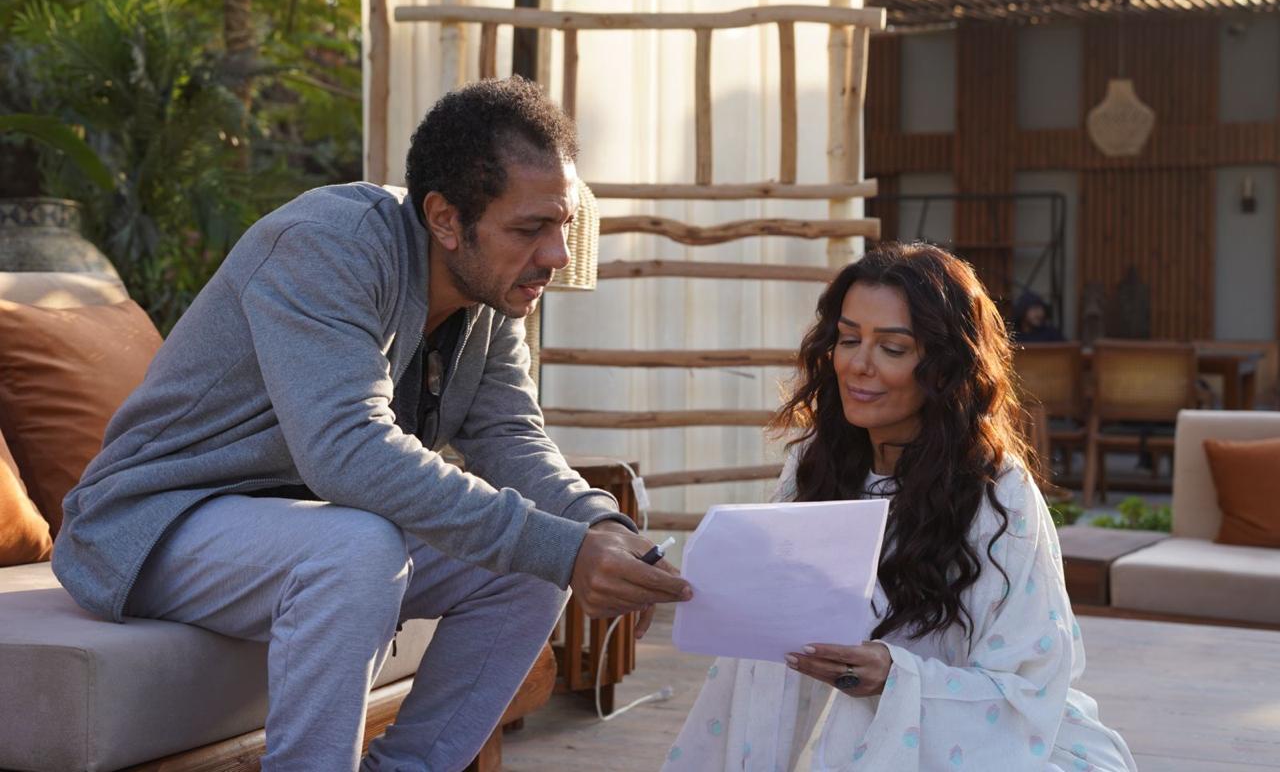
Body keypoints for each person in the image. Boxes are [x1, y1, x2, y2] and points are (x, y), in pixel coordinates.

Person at [53, 76, 690, 772]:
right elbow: (346, 450)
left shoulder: (490, 292)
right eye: (529, 228)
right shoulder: (325, 247)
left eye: (562, 224)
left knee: (534, 567)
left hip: (297, 525)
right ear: (445, 218)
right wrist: (562, 544)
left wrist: (600, 528)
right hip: (155, 524)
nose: (557, 256)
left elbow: (510, 435)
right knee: (362, 547)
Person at [663, 243, 1135, 772]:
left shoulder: (995, 489)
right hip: (841, 730)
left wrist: (896, 676)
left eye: (892, 348)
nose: (858, 365)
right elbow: (775, 618)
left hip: (976, 743)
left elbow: (1031, 678)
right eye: (848, 339)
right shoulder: (814, 464)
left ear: (944, 366)